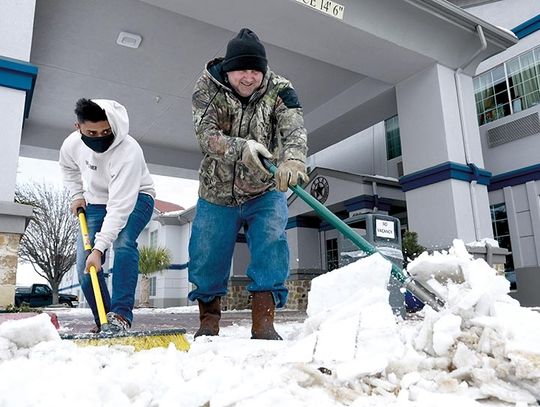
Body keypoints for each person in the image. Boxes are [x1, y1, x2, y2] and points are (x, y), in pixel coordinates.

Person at [188, 28, 308, 340]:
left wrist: (294, 159)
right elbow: (205, 135)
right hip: (216, 191)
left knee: (272, 246)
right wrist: (243, 148)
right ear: (227, 70)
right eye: (241, 70)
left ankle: (264, 322)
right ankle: (209, 320)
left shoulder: (281, 89)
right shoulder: (207, 87)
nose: (248, 77)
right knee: (207, 255)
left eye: (255, 70)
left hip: (264, 190)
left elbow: (293, 128)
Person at [59, 98, 155, 333]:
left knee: (122, 242)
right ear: (78, 127)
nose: (100, 137)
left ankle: (121, 315)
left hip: (136, 198)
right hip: (94, 202)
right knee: (85, 265)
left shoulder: (128, 150)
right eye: (91, 132)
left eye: (106, 131)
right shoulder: (72, 144)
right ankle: (104, 319)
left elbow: (120, 206)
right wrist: (76, 195)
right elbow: (68, 168)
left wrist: (100, 248)